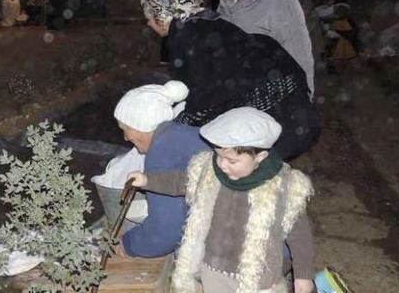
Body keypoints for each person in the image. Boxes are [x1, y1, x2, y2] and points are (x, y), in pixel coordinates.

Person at [127, 107, 315, 293]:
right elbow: (180, 181)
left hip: (258, 277)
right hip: (213, 270)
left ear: (260, 156)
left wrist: (303, 275)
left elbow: (299, 234)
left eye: (232, 161)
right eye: (219, 156)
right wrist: (147, 181)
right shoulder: (209, 172)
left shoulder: (282, 187)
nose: (223, 165)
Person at [141, 0, 319, 160]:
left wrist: (174, 126)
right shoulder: (210, 23)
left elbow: (201, 95)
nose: (148, 23)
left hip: (277, 123)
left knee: (239, 171)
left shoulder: (185, 36)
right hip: (295, 114)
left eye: (149, 17)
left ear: (162, 16)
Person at [108, 80, 209, 258]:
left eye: (125, 129)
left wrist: (130, 244)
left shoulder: (161, 152)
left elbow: (165, 231)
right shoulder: (183, 134)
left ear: (141, 126)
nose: (125, 137)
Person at [217, 0, 315, 95]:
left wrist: (305, 92)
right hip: (238, 90)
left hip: (273, 89)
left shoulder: (280, 0)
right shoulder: (225, 5)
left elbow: (299, 51)